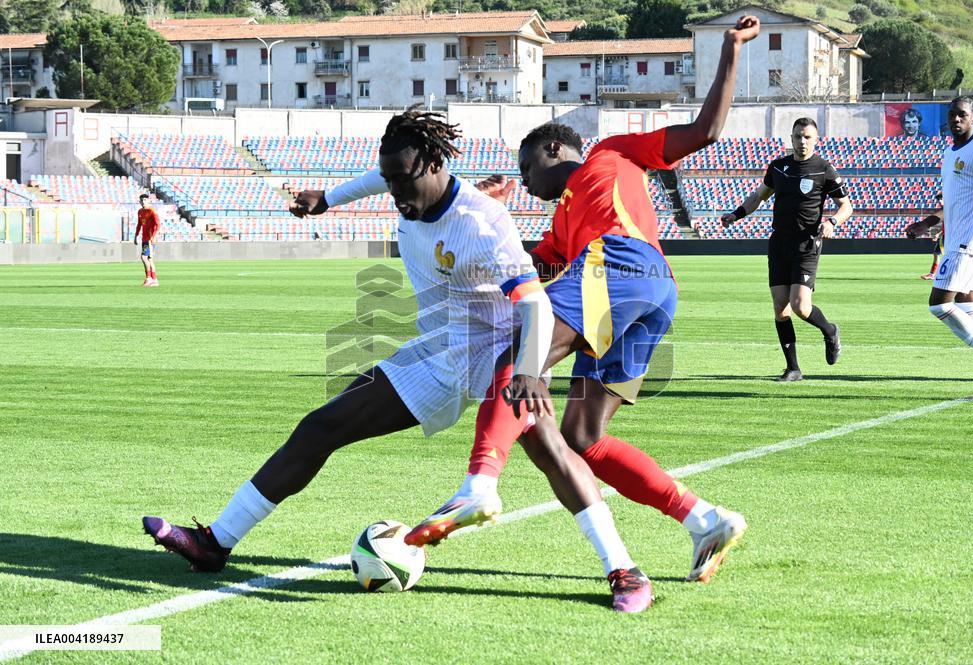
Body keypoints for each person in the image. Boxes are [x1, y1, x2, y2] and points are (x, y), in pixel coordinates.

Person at [305, 15, 761, 585]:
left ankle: (479, 485)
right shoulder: (564, 232)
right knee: (583, 439)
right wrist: (480, 203)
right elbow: (511, 264)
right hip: (649, 296)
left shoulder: (611, 154)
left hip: (622, 262)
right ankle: (703, 519)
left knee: (524, 349)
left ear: (553, 148)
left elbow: (706, 131)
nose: (525, 183)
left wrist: (731, 50)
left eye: (526, 170)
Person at [143, 110, 654, 613]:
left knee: (553, 455)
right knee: (323, 426)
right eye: (388, 180)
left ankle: (626, 572)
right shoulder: (406, 187)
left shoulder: (481, 223)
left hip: (499, 352)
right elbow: (380, 176)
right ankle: (217, 541)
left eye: (401, 181)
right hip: (436, 352)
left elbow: (535, 303)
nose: (393, 193)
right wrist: (329, 199)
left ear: (433, 166)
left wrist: (525, 371)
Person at [722, 118, 853, 382]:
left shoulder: (824, 170)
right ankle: (793, 368)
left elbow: (846, 205)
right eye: (797, 137)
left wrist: (832, 221)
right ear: (791, 138)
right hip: (779, 243)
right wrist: (736, 215)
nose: (802, 142)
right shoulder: (779, 167)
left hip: (807, 244)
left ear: (816, 140)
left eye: (807, 137)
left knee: (800, 307)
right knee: (780, 309)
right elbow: (759, 196)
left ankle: (830, 331)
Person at [904, 97, 973, 399]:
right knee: (969, 306)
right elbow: (953, 203)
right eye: (953, 115)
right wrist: (926, 223)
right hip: (960, 239)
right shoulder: (951, 153)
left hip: (967, 242)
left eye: (963, 115)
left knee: (939, 304)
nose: (956, 120)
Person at [134, 194, 160, 287]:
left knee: (144, 257)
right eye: (142, 200)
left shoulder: (152, 211)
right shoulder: (140, 211)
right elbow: (139, 224)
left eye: (145, 200)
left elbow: (158, 225)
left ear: (148, 201)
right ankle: (155, 280)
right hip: (144, 238)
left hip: (150, 239)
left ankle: (148, 278)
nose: (143, 202)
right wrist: (136, 236)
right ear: (140, 201)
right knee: (150, 259)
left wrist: (154, 236)